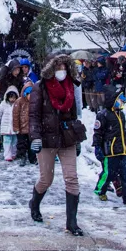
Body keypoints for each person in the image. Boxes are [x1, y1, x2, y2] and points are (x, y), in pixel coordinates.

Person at [28, 54, 87, 236]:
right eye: (58, 67)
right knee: (47, 179)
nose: (62, 71)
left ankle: (72, 222)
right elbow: (34, 116)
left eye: (64, 67)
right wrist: (35, 137)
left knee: (71, 178)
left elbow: (74, 115)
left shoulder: (71, 86)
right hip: (46, 139)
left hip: (67, 138)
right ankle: (35, 203)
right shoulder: (40, 88)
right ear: (51, 68)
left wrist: (76, 139)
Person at [93, 90, 126, 208]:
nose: (121, 103)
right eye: (119, 100)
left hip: (123, 150)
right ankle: (100, 190)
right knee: (108, 174)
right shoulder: (103, 115)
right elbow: (98, 133)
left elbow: (124, 133)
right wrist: (97, 147)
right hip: (110, 151)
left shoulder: (121, 115)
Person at [13, 82, 35, 166]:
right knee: (21, 145)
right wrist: (16, 128)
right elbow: (15, 116)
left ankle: (32, 158)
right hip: (21, 129)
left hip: (31, 129)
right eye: (28, 94)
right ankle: (22, 157)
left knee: (31, 145)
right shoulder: (19, 102)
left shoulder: (34, 102)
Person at [0, 86, 18, 162]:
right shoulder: (3, 104)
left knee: (14, 142)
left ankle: (13, 153)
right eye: (11, 97)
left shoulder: (17, 104)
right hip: (6, 127)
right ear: (7, 97)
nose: (12, 99)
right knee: (7, 142)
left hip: (14, 128)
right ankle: (7, 155)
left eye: (14, 98)